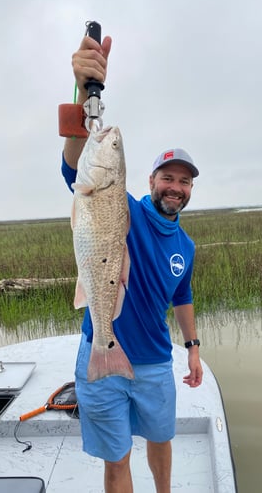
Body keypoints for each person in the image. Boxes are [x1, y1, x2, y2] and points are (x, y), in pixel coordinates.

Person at [61, 33, 203, 493]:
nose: (175, 187)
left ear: (190, 190)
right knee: (116, 460)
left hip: (157, 364)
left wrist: (193, 345)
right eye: (167, 177)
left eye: (183, 181)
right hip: (100, 353)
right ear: (151, 180)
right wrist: (85, 91)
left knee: (161, 440)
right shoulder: (122, 207)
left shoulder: (187, 245)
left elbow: (181, 295)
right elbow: (73, 167)